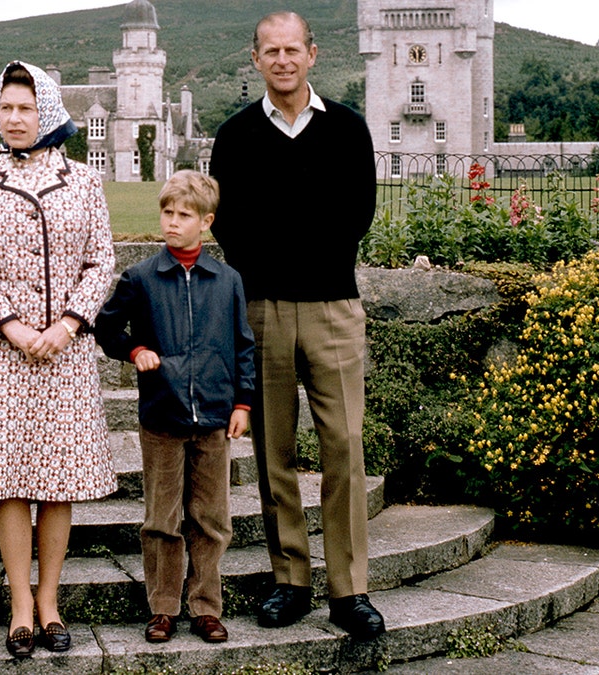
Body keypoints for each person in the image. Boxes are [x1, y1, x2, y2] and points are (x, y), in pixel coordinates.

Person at [208, 11, 385, 641]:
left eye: (293, 50)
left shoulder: (348, 129)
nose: (282, 60)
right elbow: (228, 223)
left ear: (312, 54)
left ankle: (349, 589)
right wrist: (272, 260)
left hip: (334, 305)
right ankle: (291, 581)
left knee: (343, 446)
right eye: (270, 51)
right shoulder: (234, 136)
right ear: (254, 58)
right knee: (273, 450)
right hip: (262, 309)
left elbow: (357, 210)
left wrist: (299, 247)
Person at [0, 60, 118, 660]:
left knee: (60, 480)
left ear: (46, 110)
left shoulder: (85, 181)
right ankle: (20, 605)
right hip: (2, 354)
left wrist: (70, 322)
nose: (13, 119)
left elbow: (102, 261)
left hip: (66, 355)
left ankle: (50, 601)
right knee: (10, 482)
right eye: (5, 108)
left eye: (24, 108)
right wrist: (13, 326)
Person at [94, 170, 255, 645]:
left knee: (211, 519)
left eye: (184, 215)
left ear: (205, 222)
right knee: (161, 519)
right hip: (161, 418)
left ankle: (205, 606)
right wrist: (134, 350)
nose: (172, 222)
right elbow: (106, 328)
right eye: (167, 213)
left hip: (214, 419)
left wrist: (242, 403)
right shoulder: (142, 277)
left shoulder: (227, 281)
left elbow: (243, 346)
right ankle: (162, 607)